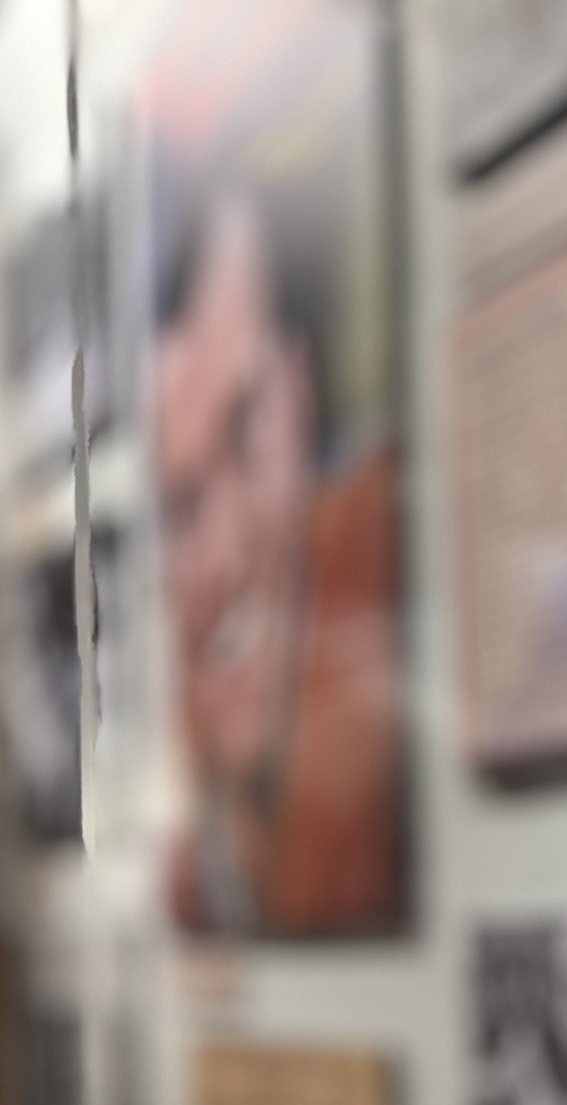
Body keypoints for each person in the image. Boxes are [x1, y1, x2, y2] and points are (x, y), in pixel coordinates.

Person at [154, 192, 402, 935]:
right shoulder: (191, 866)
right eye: (184, 504)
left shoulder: (382, 573)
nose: (220, 557)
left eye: (245, 430)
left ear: (302, 395)